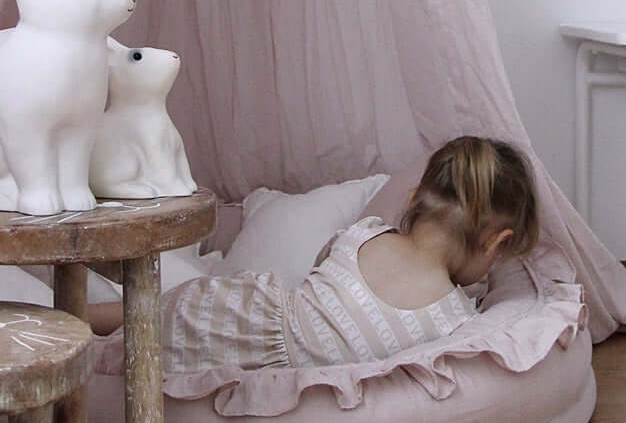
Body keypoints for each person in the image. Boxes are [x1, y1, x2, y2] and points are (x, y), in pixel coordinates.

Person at [89, 135, 539, 374]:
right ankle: (84, 316)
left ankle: (78, 314)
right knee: (141, 327)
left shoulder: (364, 235)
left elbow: (317, 276)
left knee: (143, 319)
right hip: (244, 322)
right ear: (494, 243)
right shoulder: (455, 320)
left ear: (413, 201)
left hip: (231, 313)